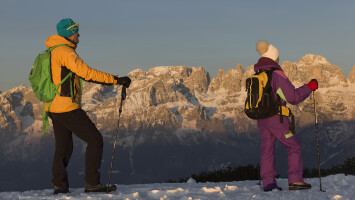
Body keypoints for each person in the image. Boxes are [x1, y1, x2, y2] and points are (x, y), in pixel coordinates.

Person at [45, 18, 131, 194]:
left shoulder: (52, 51)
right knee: (95, 139)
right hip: (67, 107)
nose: (79, 35)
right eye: (76, 31)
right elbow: (87, 73)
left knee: (64, 147)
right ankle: (92, 183)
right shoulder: (65, 52)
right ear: (69, 34)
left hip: (53, 107)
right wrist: (116, 80)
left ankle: (59, 184)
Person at [254, 41, 318, 191]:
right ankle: (295, 180)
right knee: (294, 146)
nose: (279, 60)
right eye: (278, 57)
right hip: (277, 118)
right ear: (274, 58)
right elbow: (293, 97)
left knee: (267, 149)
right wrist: (310, 86)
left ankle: (268, 183)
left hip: (261, 118)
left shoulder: (258, 73)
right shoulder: (276, 74)